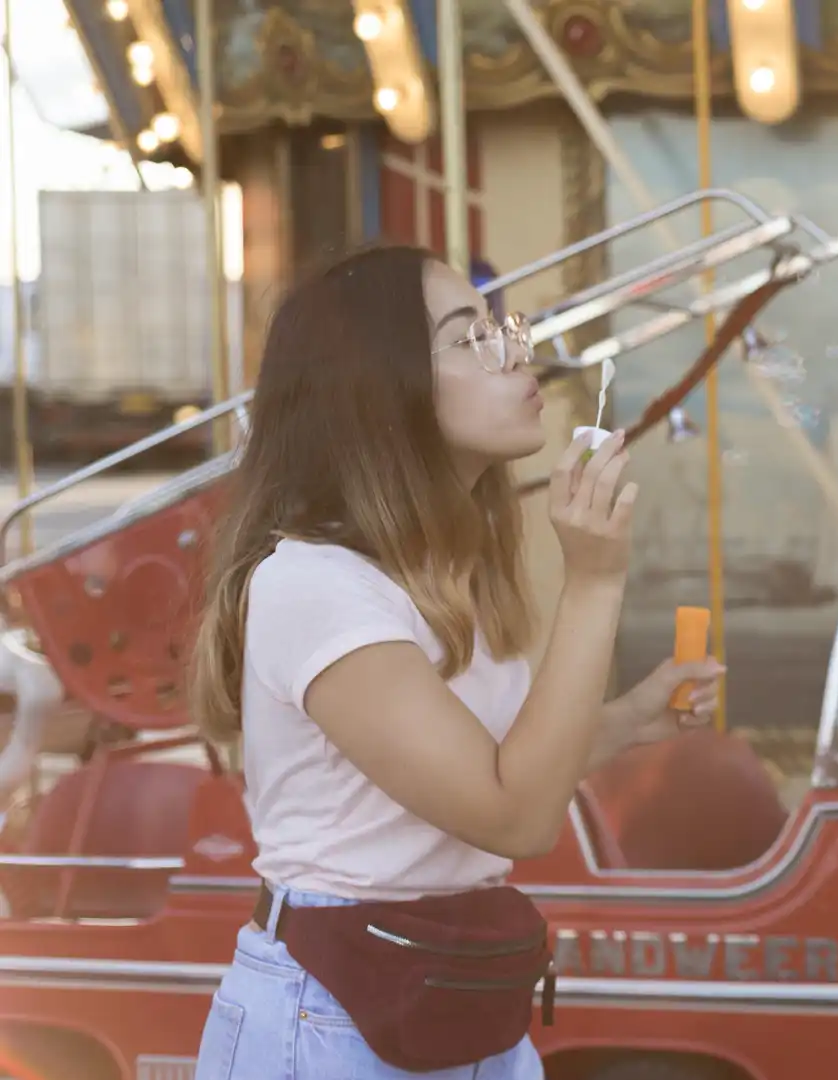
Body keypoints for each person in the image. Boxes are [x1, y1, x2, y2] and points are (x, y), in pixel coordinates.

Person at [187, 245, 724, 1079]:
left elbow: (498, 774)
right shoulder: (317, 586)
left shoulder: (450, 570)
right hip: (334, 1013)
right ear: (380, 391)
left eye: (499, 325)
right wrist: (594, 583)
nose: (517, 351)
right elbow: (513, 818)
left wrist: (628, 722)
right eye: (468, 337)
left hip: (455, 990)